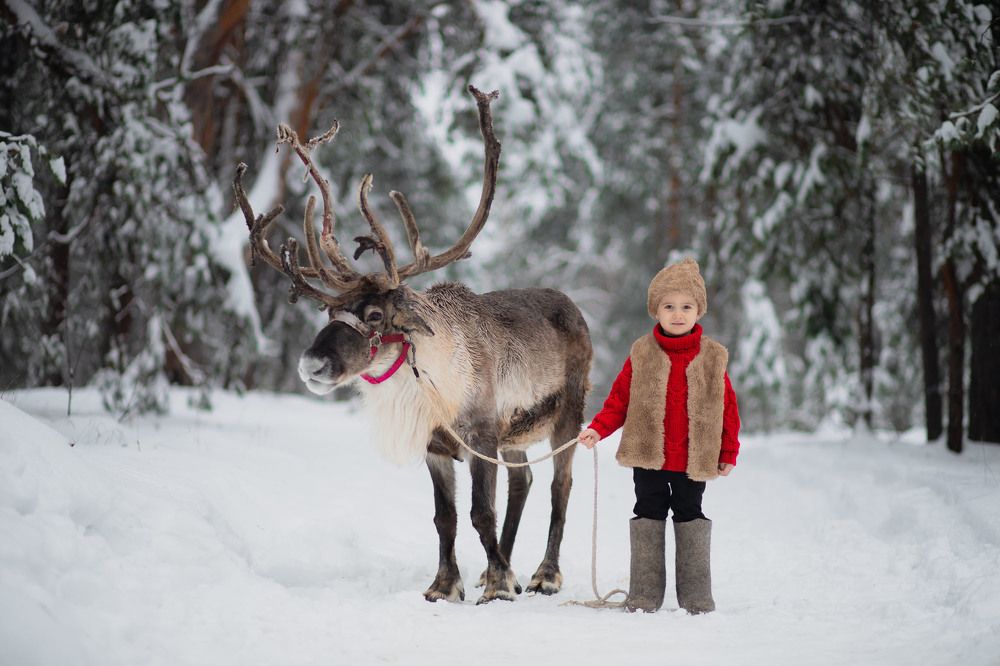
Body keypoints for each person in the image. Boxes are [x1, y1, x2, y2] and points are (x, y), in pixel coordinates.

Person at [578, 257, 741, 614]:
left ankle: (696, 594)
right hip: (649, 455)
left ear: (699, 310)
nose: (678, 314)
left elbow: (727, 407)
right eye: (669, 306)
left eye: (686, 306)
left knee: (690, 514)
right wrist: (597, 429)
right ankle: (645, 593)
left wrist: (728, 450)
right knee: (648, 511)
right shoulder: (643, 352)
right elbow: (619, 400)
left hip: (693, 457)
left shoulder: (713, 357)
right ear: (656, 310)